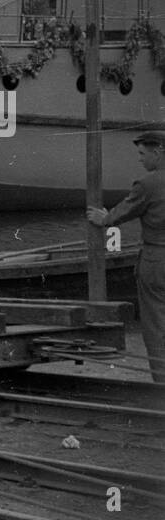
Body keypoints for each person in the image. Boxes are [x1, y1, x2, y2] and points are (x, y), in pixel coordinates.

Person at [87, 129, 165, 384]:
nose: (140, 159)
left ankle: (162, 385)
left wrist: (105, 218)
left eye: (143, 154)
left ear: (158, 151)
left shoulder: (148, 183)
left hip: (157, 261)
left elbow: (126, 210)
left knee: (156, 327)